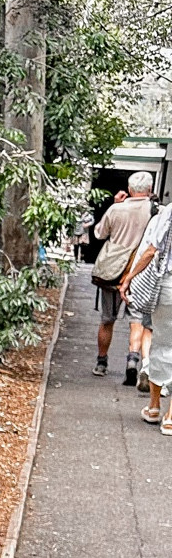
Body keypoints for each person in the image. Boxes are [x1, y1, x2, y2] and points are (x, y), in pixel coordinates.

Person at [92, 175, 155, 380]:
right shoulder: (156, 211)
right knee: (137, 321)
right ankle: (132, 360)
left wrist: (116, 206)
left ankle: (101, 363)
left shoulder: (116, 209)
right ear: (150, 188)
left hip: (113, 273)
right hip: (140, 275)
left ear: (129, 188)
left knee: (107, 319)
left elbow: (100, 234)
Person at [121, 193, 172, 426]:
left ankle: (154, 407)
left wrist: (130, 277)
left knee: (162, 344)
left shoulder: (169, 211)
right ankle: (171, 418)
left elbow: (152, 250)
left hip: (168, 287)